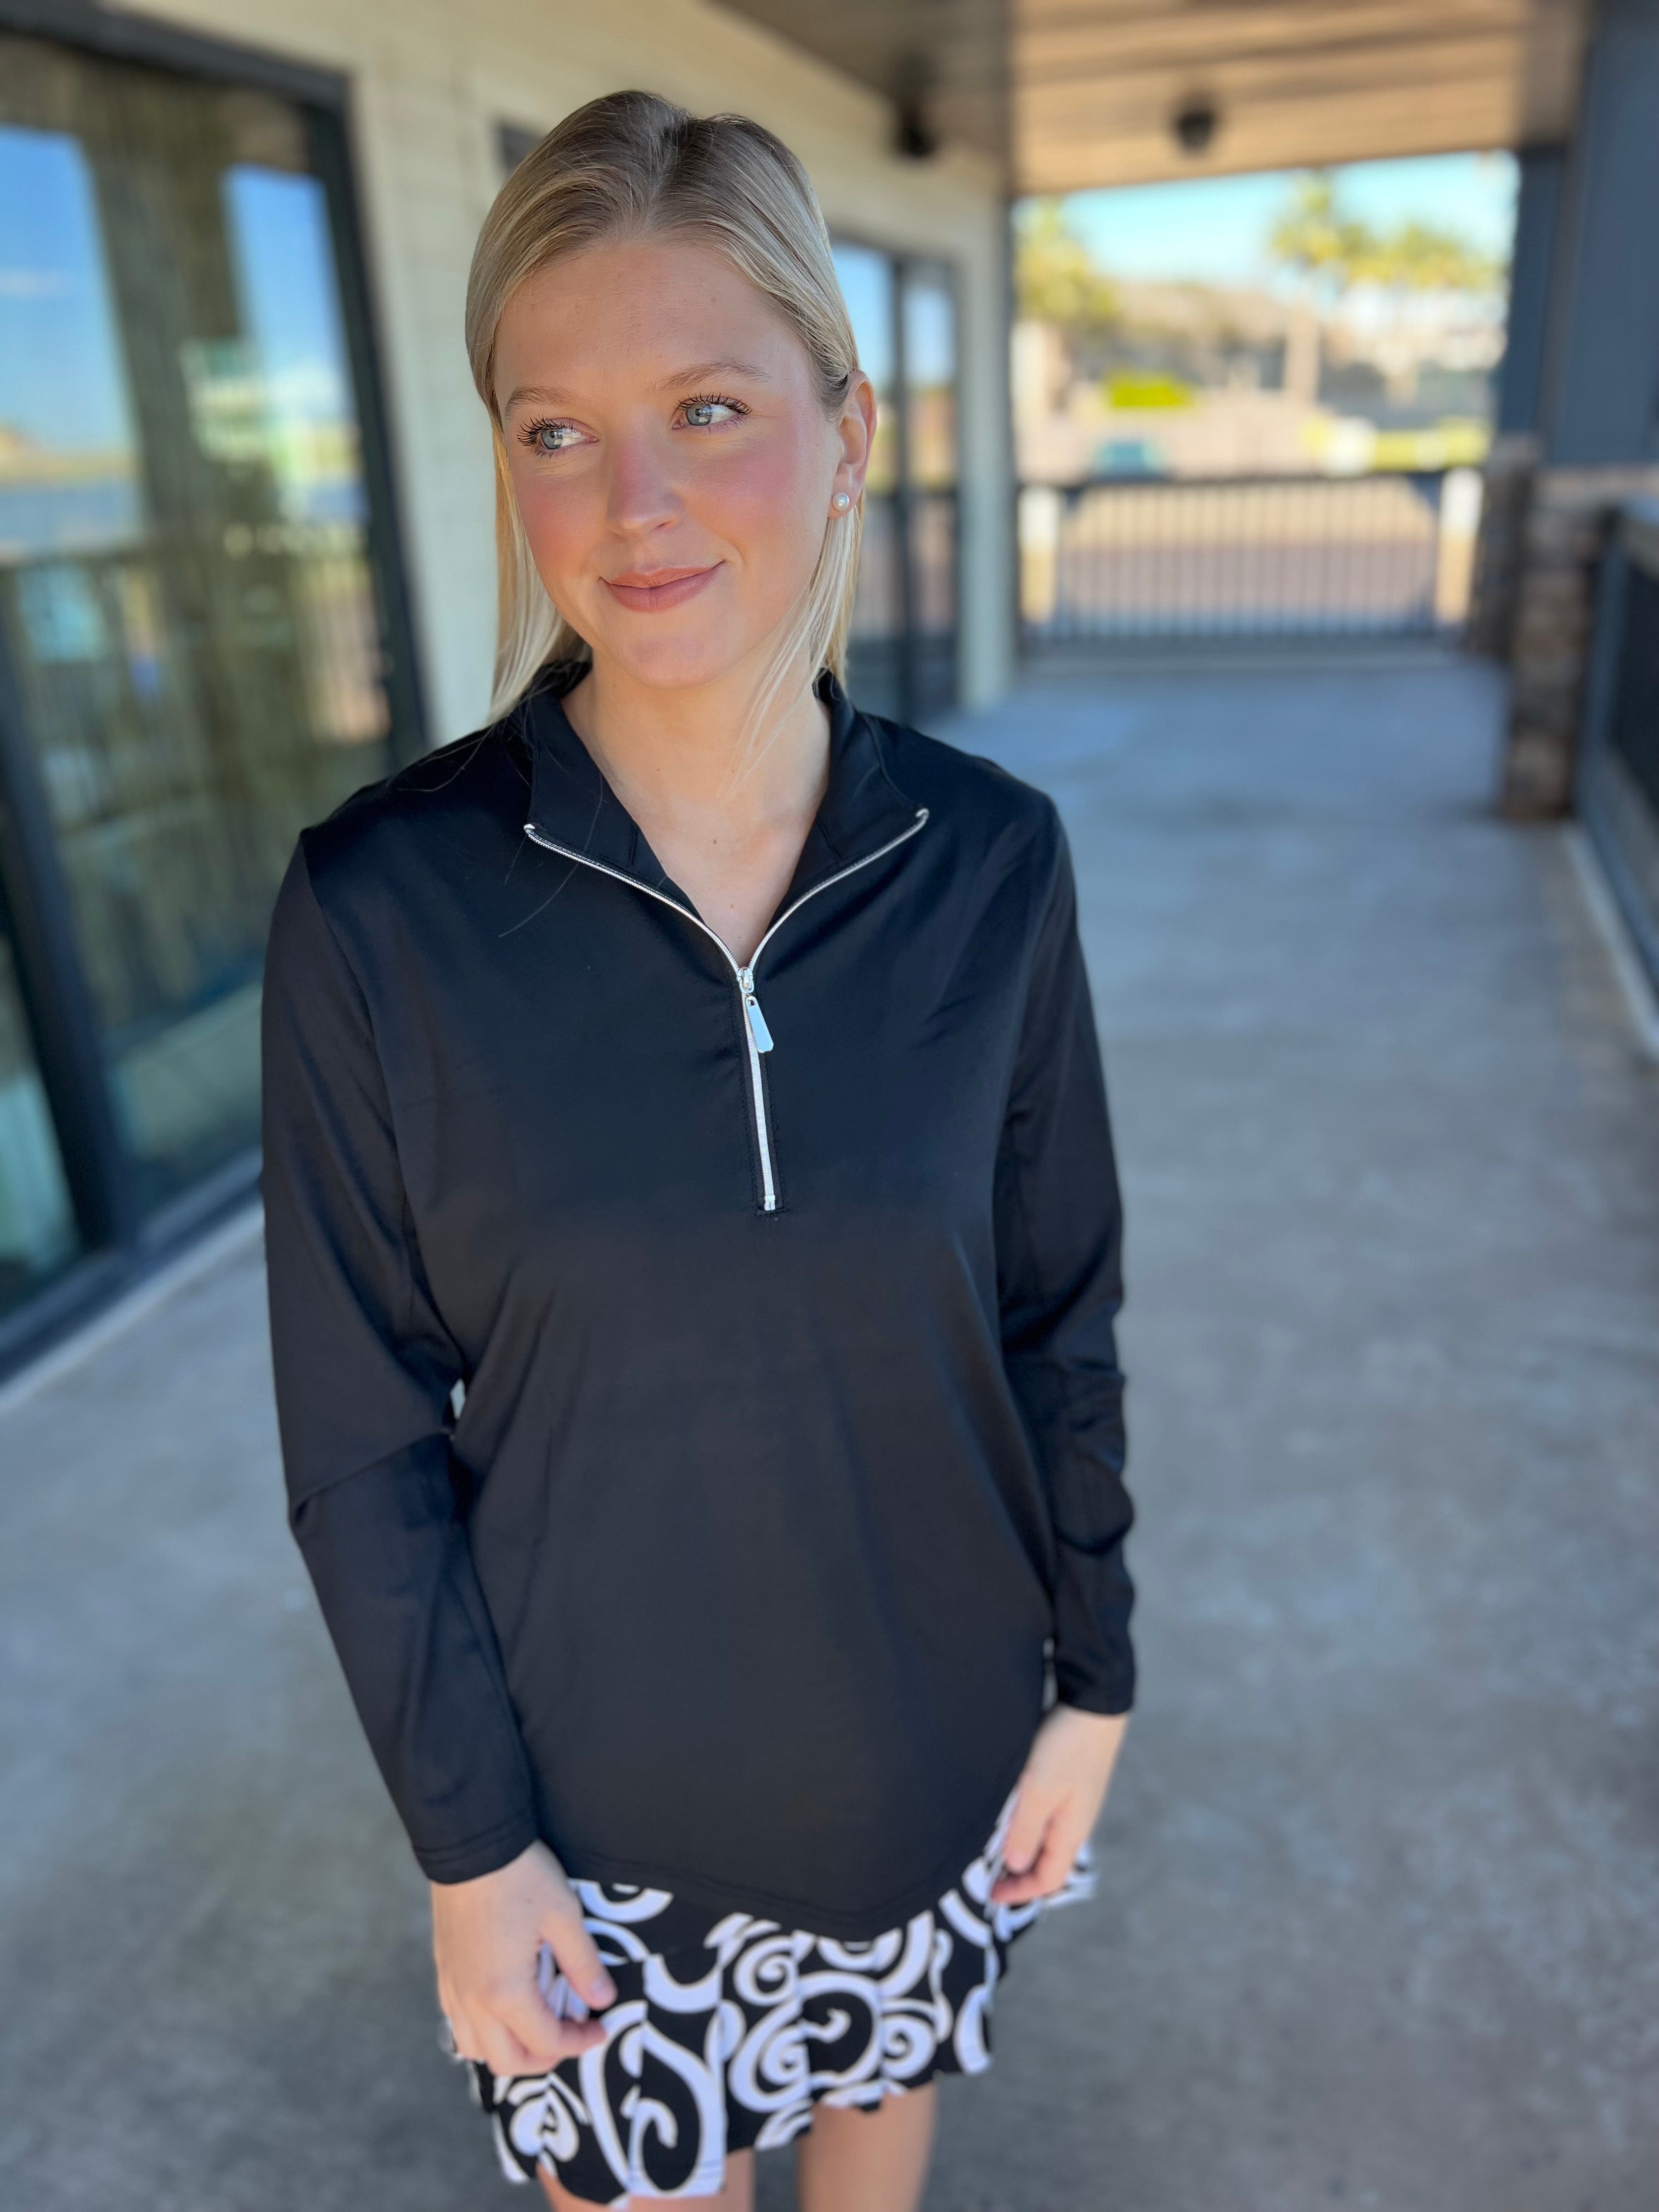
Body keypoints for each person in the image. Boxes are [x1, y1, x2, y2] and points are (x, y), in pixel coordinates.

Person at [259, 88, 1135, 2212]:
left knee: (879, 2128)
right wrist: (472, 1849)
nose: (633, 505)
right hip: (593, 1829)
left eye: (709, 410)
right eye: (557, 430)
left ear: (848, 430)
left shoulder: (992, 863)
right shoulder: (379, 911)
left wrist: (1091, 1679)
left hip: (935, 1759)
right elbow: (362, 1446)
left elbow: (1057, 1310)